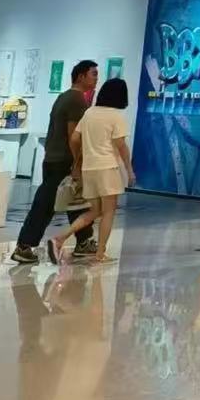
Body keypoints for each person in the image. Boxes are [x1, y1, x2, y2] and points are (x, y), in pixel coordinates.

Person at [11, 61, 98, 266]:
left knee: (76, 201)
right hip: (64, 161)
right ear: (81, 76)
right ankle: (24, 246)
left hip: (53, 158)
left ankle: (84, 241)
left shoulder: (64, 96)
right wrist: (77, 163)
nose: (96, 78)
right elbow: (74, 136)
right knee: (46, 204)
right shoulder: (76, 99)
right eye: (93, 74)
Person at [48, 78, 134, 265]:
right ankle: (100, 253)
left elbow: (74, 138)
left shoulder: (89, 113)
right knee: (108, 212)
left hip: (89, 168)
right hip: (107, 168)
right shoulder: (116, 116)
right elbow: (121, 145)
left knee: (95, 211)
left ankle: (60, 238)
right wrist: (129, 170)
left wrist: (79, 158)